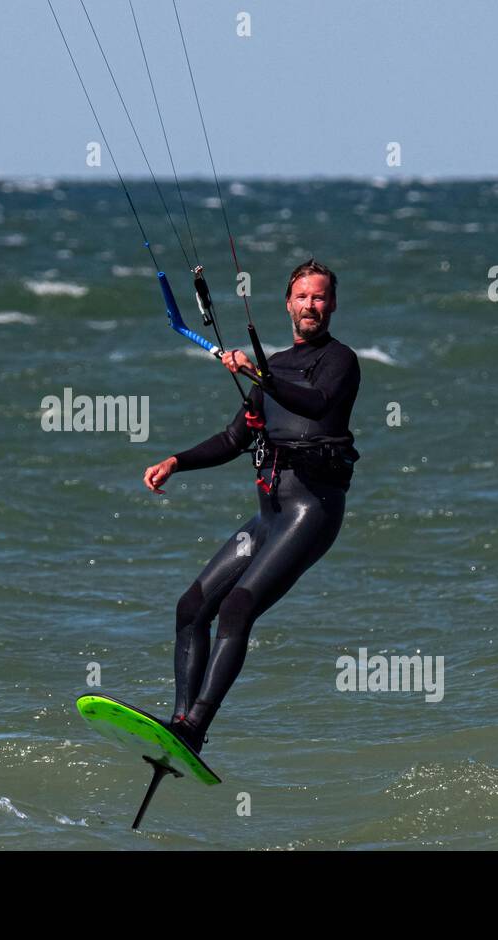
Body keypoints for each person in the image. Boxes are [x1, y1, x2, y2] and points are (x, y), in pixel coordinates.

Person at [141, 259, 361, 752]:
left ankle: (197, 726)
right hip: (269, 515)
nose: (311, 306)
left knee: (239, 606)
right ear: (288, 303)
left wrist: (257, 372)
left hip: (312, 510)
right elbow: (233, 438)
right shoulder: (274, 366)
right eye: (302, 297)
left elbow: (316, 402)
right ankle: (178, 723)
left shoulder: (340, 361)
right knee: (192, 608)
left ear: (332, 305)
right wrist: (176, 461)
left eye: (320, 297)